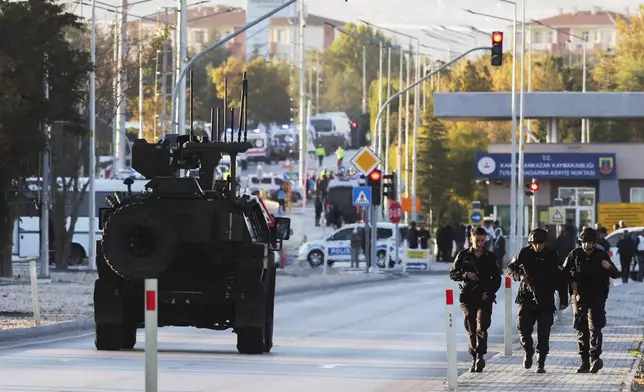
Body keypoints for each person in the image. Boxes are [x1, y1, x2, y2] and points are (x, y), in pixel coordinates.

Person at [506, 228, 568, 374]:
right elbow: (510, 269)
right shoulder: (523, 253)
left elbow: (561, 278)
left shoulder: (552, 255)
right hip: (526, 298)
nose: (537, 246)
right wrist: (520, 276)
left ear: (545, 243)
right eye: (534, 243)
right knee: (523, 326)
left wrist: (563, 299)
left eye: (540, 243)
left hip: (545, 299)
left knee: (544, 332)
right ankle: (528, 350)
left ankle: (541, 361)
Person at [561, 227, 620, 374]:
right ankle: (584, 362)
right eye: (584, 242)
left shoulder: (601, 255)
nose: (587, 245)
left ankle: (595, 358)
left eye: (590, 242)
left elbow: (616, 274)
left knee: (595, 328)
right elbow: (563, 272)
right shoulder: (575, 254)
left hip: (596, 297)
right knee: (581, 330)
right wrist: (570, 283)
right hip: (580, 298)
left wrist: (608, 267)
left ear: (594, 243)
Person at [449, 226, 502, 373]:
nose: (479, 244)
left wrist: (490, 292)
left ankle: (480, 355)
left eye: (482, 240)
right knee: (471, 327)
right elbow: (453, 274)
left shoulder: (490, 257)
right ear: (471, 239)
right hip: (468, 296)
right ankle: (473, 356)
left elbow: (497, 279)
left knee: (482, 325)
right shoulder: (463, 255)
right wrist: (466, 275)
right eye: (477, 240)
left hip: (485, 296)